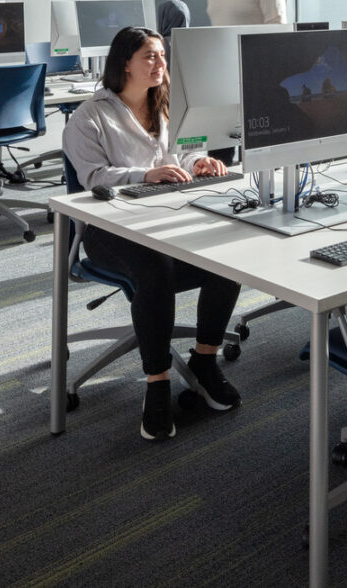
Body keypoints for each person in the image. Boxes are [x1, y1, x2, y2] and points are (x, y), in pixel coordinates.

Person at [61, 25, 245, 441]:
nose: (161, 64)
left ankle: (203, 359)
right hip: (108, 230)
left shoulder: (166, 105)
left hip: (166, 219)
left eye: (162, 56)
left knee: (228, 252)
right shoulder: (89, 117)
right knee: (156, 268)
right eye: (150, 56)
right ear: (124, 63)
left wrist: (200, 162)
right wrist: (146, 173)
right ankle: (157, 381)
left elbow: (186, 149)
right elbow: (93, 178)